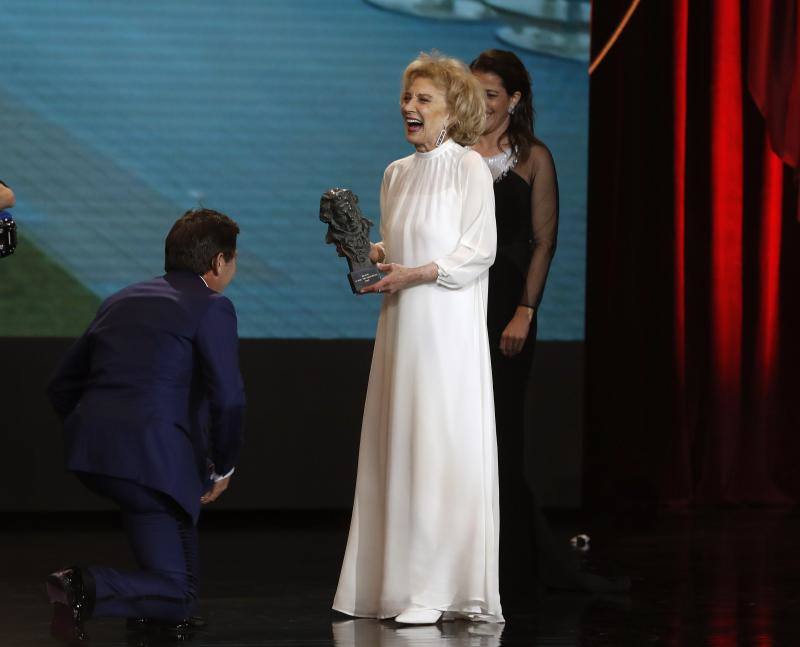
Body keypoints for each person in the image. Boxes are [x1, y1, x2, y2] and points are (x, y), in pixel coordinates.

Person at [332, 52, 502, 625]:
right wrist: (370, 253)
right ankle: (393, 585)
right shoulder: (395, 173)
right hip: (402, 329)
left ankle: (436, 589)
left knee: (436, 444)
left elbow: (477, 253)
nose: (410, 107)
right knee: (398, 443)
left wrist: (415, 273)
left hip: (445, 335)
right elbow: (397, 249)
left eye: (424, 99)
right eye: (408, 98)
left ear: (453, 111)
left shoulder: (468, 168)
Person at [45, 208, 246, 642]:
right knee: (179, 590)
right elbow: (228, 400)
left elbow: (61, 385)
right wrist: (223, 468)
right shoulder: (213, 307)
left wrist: (96, 432)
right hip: (152, 459)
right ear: (218, 263)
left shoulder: (120, 299)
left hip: (98, 453)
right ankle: (83, 587)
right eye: (233, 259)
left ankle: (152, 612)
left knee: (178, 575)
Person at [470, 49, 629, 596]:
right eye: (475, 93)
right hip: (456, 308)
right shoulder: (455, 152)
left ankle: (511, 567)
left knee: (503, 435)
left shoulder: (534, 157)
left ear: (513, 99)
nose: (482, 104)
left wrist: (525, 311)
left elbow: (544, 242)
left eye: (491, 94)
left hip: (508, 306)